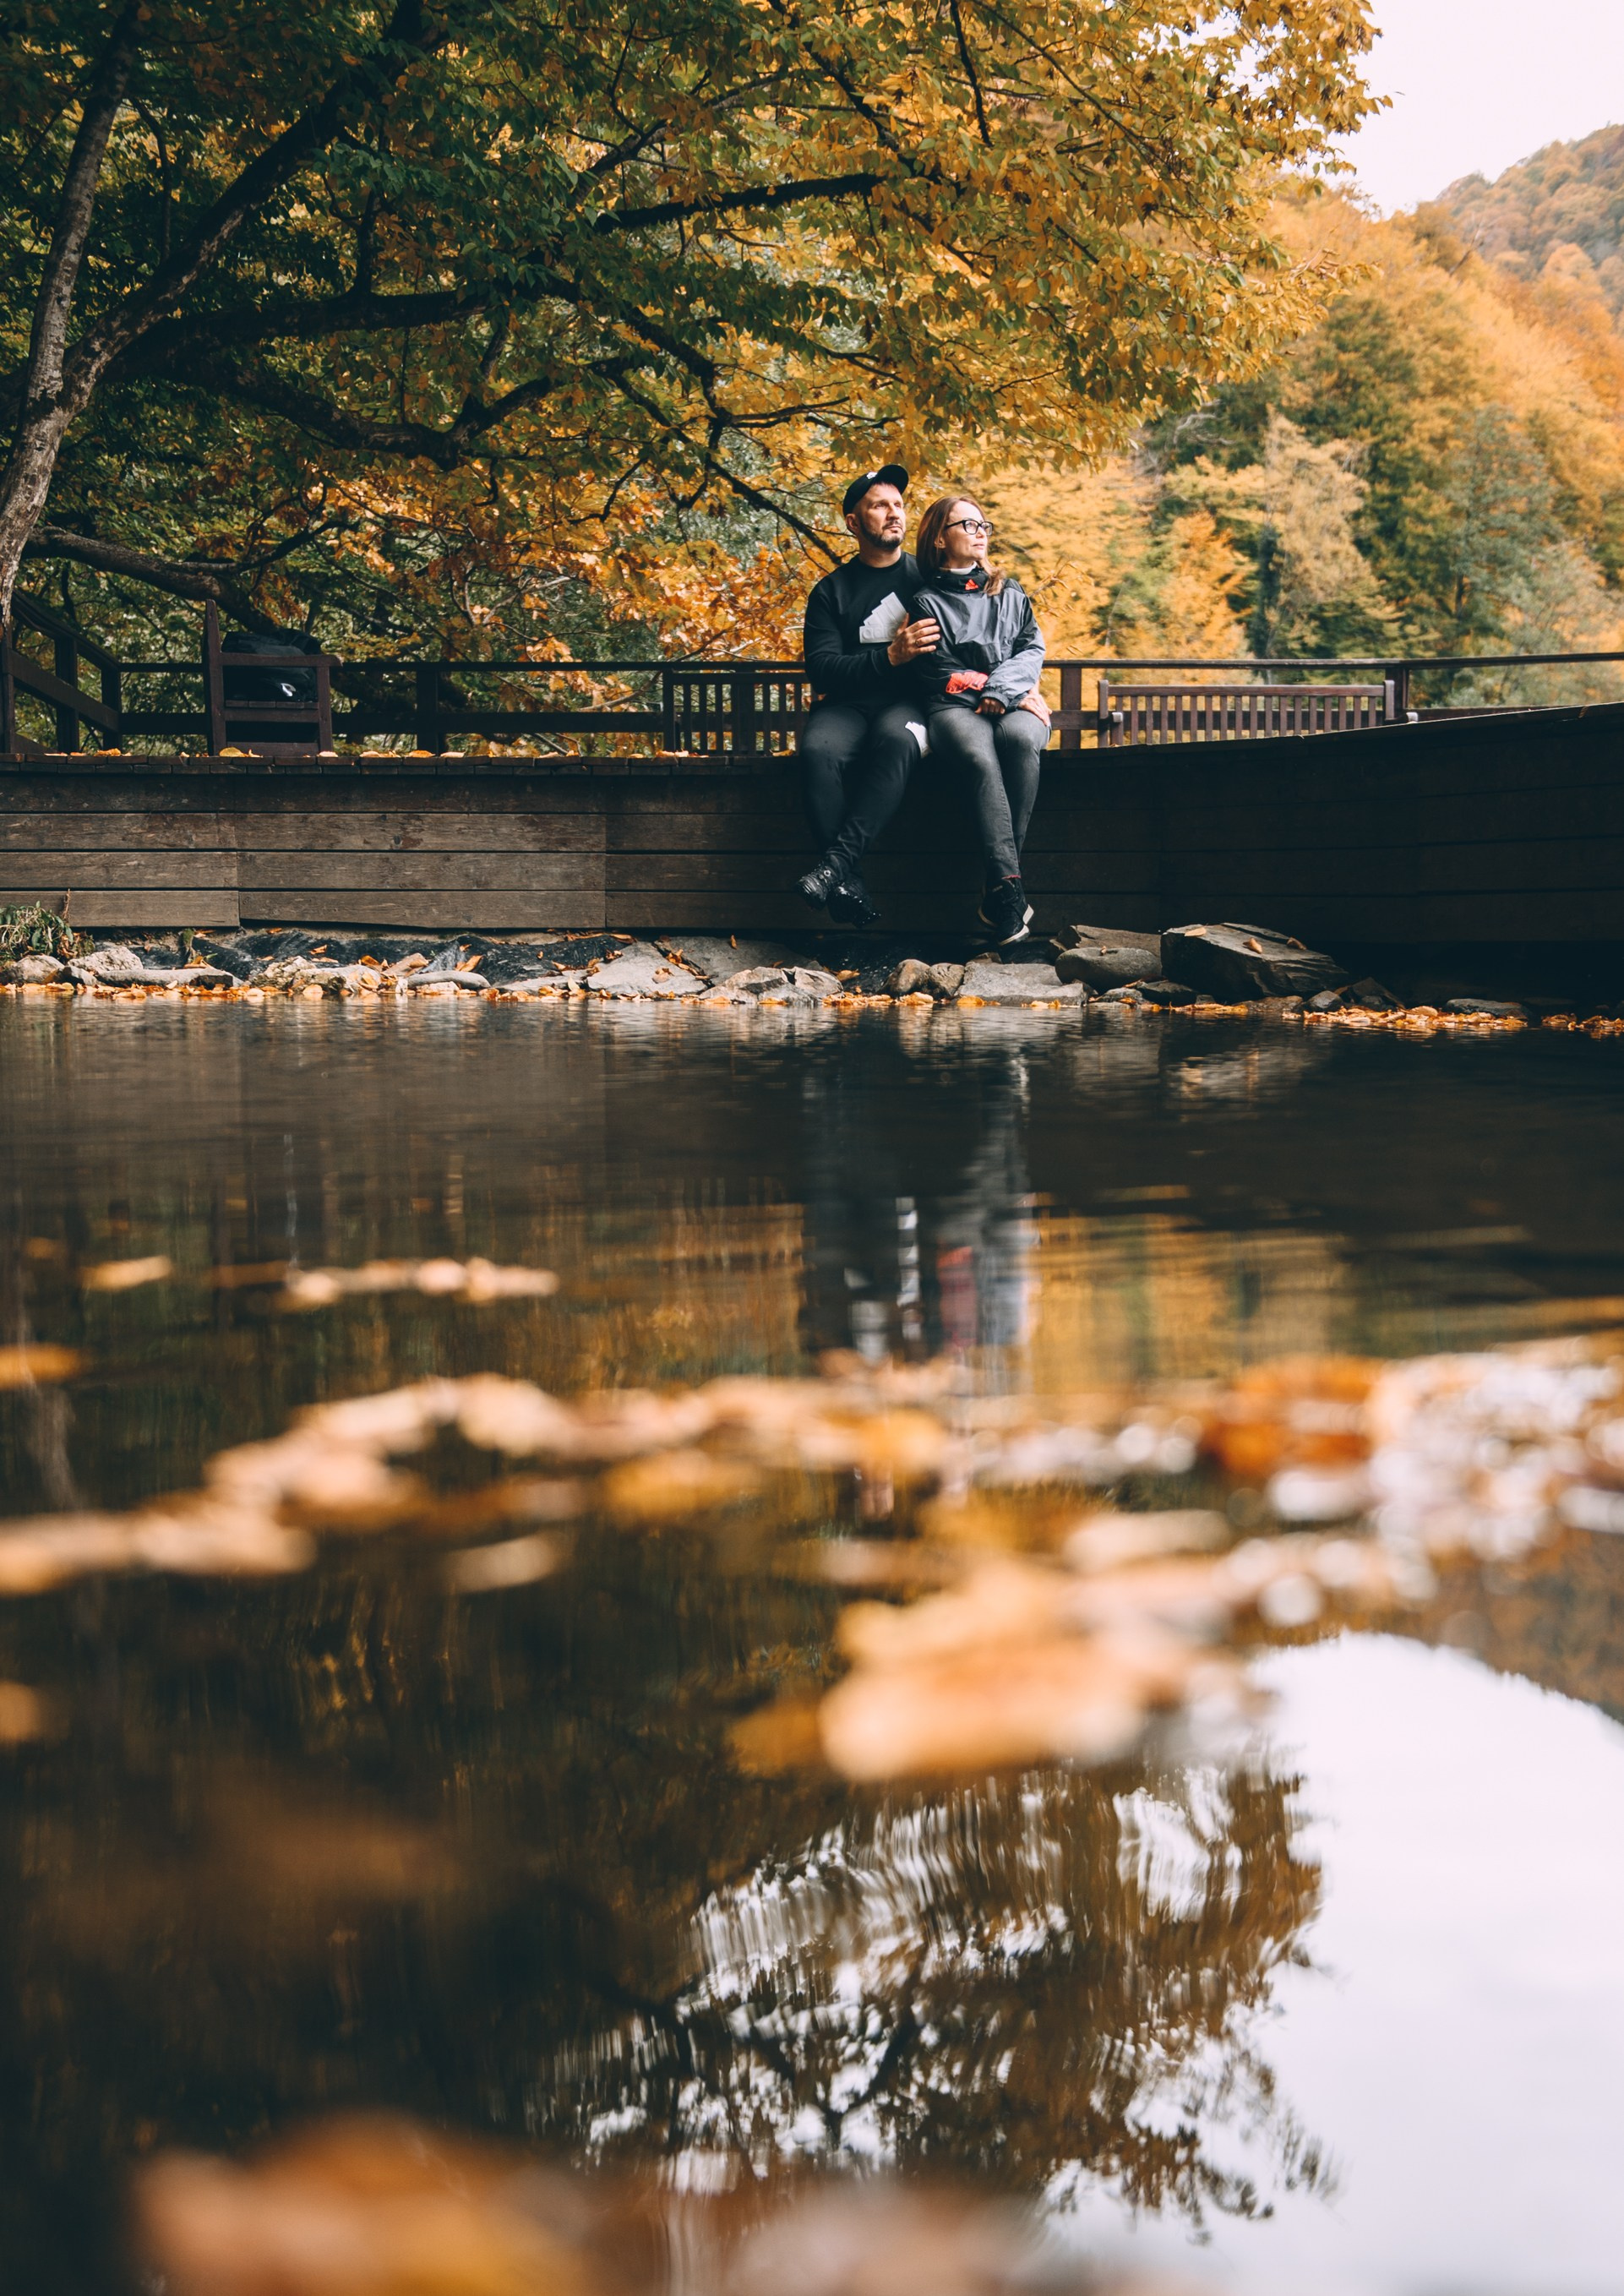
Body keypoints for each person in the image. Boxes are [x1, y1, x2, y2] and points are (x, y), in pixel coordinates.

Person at [796, 465, 942, 927]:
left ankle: (833, 868)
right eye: (879, 505)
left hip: (909, 705)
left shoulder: (929, 579)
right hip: (847, 706)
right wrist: (889, 657)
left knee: (899, 741)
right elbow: (822, 669)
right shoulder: (831, 591)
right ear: (854, 523)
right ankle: (848, 882)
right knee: (817, 751)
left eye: (898, 504)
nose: (894, 513)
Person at [903, 494, 1049, 946]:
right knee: (979, 757)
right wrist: (989, 690)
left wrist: (1003, 691)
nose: (980, 531)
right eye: (967, 525)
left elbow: (1031, 648)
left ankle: (999, 889)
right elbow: (938, 668)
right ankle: (1009, 891)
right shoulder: (926, 602)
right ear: (939, 538)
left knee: (1023, 742)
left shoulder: (1010, 591)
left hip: (1014, 702)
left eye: (983, 524)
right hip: (953, 708)